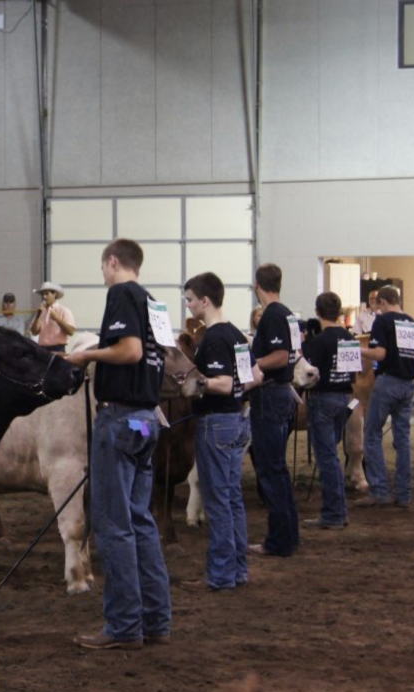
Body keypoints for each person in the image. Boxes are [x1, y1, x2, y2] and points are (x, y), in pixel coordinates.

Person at [64, 239, 171, 650]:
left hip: (121, 419)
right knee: (141, 521)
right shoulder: (153, 303)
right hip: (146, 421)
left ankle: (125, 625)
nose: (103, 273)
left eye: (103, 266)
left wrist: (87, 356)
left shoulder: (121, 294)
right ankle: (155, 620)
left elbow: (129, 351)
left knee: (113, 525)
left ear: (113, 262)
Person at [181, 272, 261, 591]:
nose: (188, 306)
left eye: (189, 300)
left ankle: (221, 574)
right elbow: (252, 377)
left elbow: (225, 383)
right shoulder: (238, 336)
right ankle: (237, 570)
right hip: (238, 421)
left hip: (216, 422)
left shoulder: (213, 339)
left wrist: (193, 383)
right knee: (231, 499)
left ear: (205, 300)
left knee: (217, 502)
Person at [247, 264, 300, 558]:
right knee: (277, 469)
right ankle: (288, 536)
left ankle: (279, 540)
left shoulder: (272, 315)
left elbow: (280, 356)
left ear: (257, 285)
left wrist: (253, 366)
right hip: (280, 396)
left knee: (269, 469)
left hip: (269, 396)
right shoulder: (287, 314)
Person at [355, 286, 414, 509]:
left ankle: (380, 490)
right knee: (402, 439)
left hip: (388, 381)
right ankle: (404, 494)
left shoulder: (382, 322)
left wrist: (359, 349)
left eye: (378, 305)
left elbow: (380, 353)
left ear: (383, 302)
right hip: (408, 384)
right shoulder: (412, 323)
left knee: (372, 433)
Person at [301, 291, 356, 529]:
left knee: (327, 459)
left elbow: (308, 374)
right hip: (343, 397)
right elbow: (353, 372)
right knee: (331, 455)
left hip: (323, 398)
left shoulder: (318, 342)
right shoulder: (348, 337)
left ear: (317, 312)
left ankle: (333, 513)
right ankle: (339, 511)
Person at [29, 281, 75, 352]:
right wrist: (38, 316)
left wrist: (57, 319)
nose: (44, 297)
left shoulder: (64, 310)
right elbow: (34, 332)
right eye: (43, 294)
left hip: (58, 349)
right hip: (43, 349)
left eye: (47, 294)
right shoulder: (41, 311)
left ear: (54, 294)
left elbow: (71, 331)